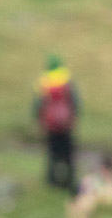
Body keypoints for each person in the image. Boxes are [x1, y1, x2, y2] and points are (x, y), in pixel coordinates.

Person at [34, 55, 80, 194]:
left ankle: (52, 182)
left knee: (52, 154)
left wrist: (39, 120)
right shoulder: (67, 82)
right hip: (66, 125)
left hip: (51, 126)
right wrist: (74, 118)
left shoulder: (44, 83)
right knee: (68, 154)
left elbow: (38, 105)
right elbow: (75, 102)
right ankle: (69, 181)